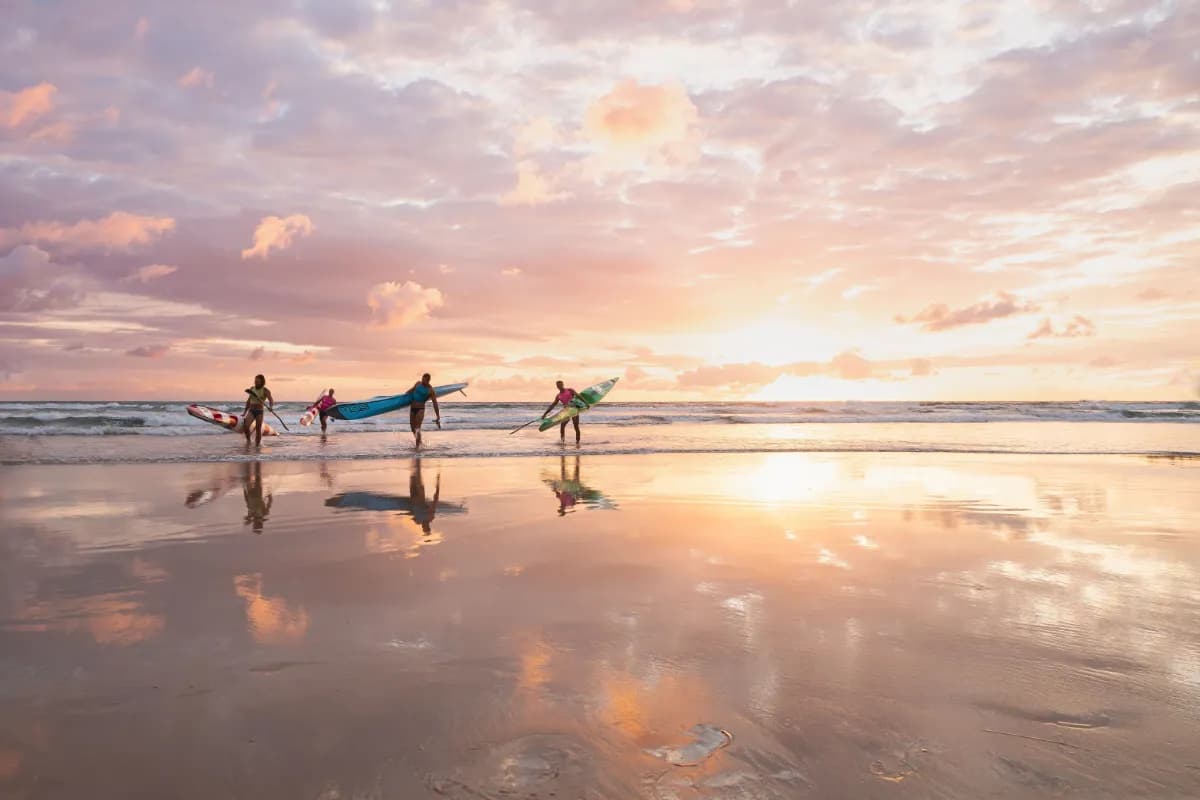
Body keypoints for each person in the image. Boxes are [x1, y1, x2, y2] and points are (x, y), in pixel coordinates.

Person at [542, 380, 589, 444]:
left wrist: (586, 403)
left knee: (576, 426)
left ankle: (577, 442)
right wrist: (545, 414)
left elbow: (579, 396)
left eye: (561, 385)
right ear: (557, 387)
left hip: (574, 409)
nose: (560, 386)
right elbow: (552, 405)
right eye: (558, 386)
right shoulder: (558, 396)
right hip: (566, 411)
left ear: (563, 385)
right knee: (562, 426)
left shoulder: (570, 390)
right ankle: (562, 442)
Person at [408, 373, 440, 449]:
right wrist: (401, 397)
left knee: (417, 428)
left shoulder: (430, 390)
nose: (422, 381)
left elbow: (435, 404)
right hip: (412, 408)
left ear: (428, 381)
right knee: (412, 429)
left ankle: (417, 447)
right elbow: (411, 390)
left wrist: (437, 415)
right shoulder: (418, 383)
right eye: (422, 379)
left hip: (420, 409)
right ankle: (420, 442)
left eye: (424, 380)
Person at [243, 373, 274, 445]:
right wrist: (245, 412)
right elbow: (248, 401)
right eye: (255, 381)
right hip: (251, 410)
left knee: (258, 429)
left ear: (262, 382)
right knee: (246, 426)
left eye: (258, 381)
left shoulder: (265, 390)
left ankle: (257, 445)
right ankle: (248, 441)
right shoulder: (252, 389)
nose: (256, 382)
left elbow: (271, 400)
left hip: (259, 411)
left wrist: (271, 407)